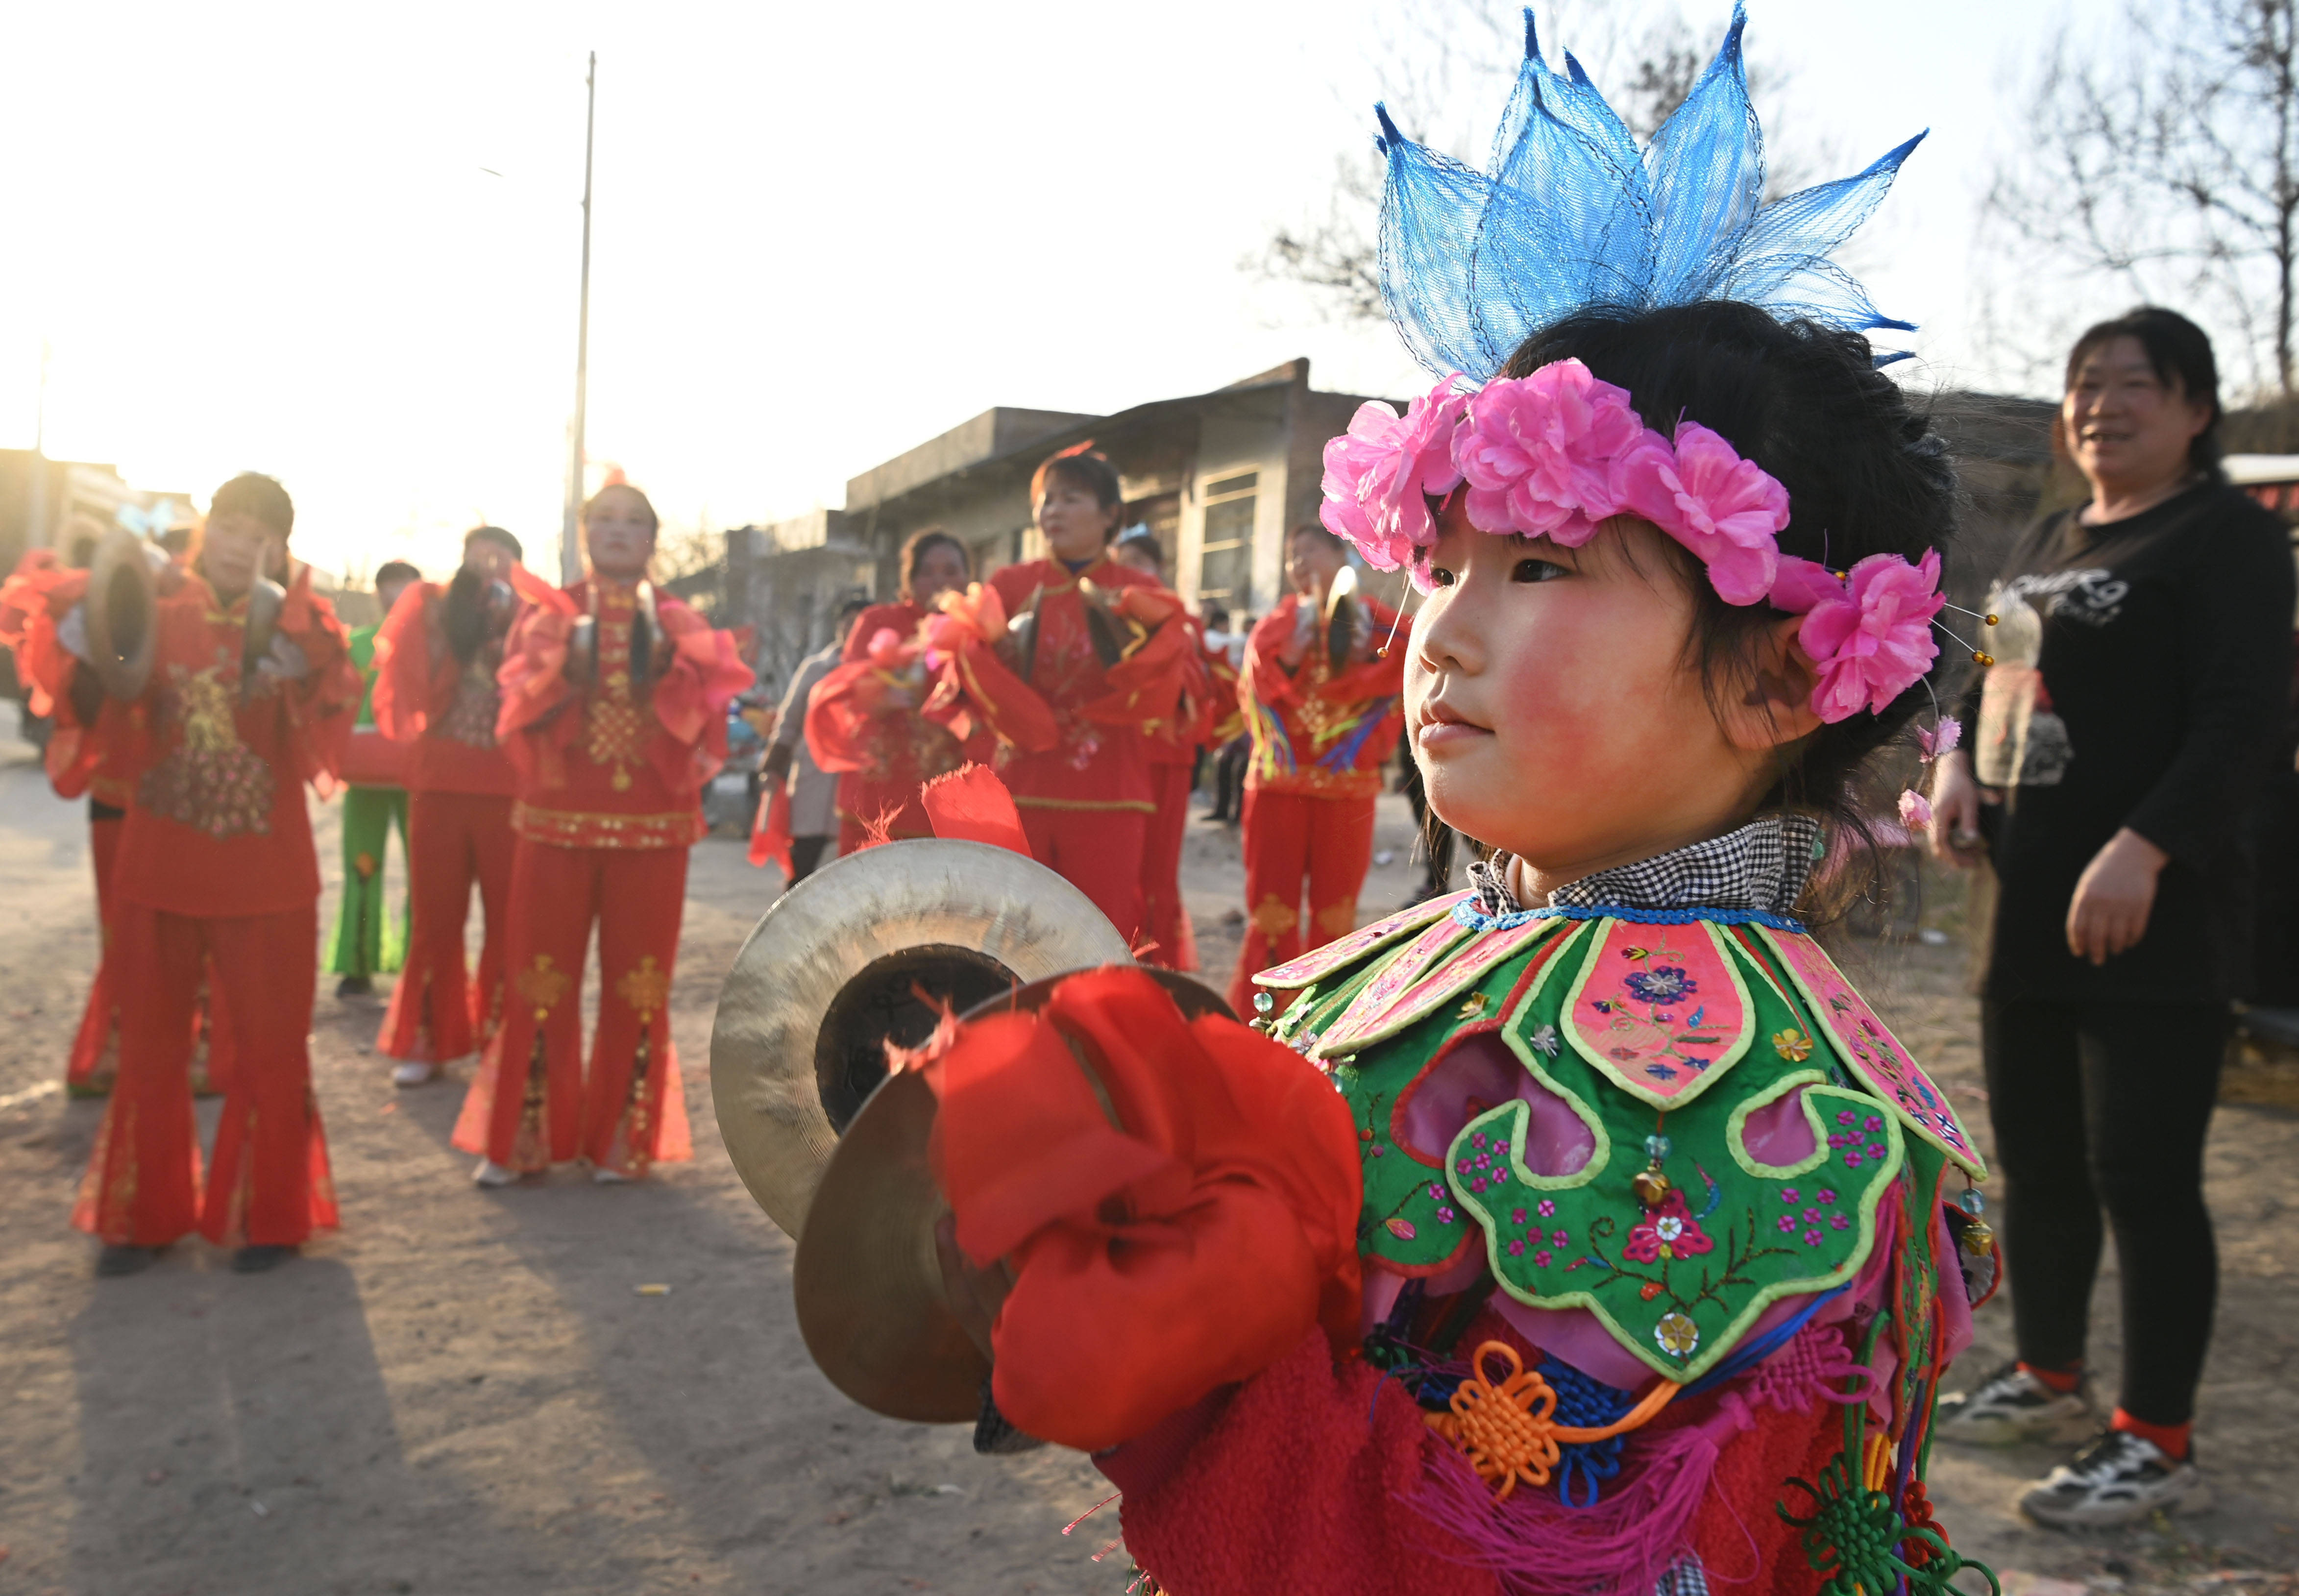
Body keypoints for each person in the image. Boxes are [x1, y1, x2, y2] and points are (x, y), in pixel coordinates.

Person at [887, 31, 2003, 1592]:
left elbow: (1522, 1551)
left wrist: (1190, 1386)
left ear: (1776, 682)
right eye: (1442, 565)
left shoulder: (1709, 1098)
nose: (1445, 634)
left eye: (1539, 569)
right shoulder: (1475, 950)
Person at [1926, 307, 2293, 1526]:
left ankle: (2156, 1433)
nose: (2101, 404)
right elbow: (1994, 676)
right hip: (2025, 904)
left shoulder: (2227, 540)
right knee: (2037, 1164)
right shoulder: (2042, 533)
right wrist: (1954, 772)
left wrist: (2146, 848)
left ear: (2196, 409)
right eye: (2084, 383)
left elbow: (2246, 721)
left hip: (2156, 912)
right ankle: (2044, 1372)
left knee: (2140, 1170)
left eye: (2137, 383)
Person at [65, 473, 362, 1274]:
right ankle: (143, 1218)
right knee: (154, 1047)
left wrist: (303, 670)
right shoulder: (157, 617)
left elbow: (332, 719)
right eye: (230, 525)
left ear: (282, 547)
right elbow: (102, 711)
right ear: (207, 532)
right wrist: (85, 640)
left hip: (266, 875)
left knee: (270, 1047)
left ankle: (269, 1217)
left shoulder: (304, 629)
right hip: (160, 865)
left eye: (261, 532)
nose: (241, 543)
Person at [454, 481, 750, 1186]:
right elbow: (517, 702)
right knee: (538, 981)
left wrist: (677, 676)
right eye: (605, 521)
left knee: (640, 988)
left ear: (653, 539)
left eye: (634, 523)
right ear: (586, 534)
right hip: (555, 823)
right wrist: (560, 674)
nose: (619, 533)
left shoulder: (683, 622)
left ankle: (620, 1140)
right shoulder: (548, 616)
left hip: (654, 831)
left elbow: (708, 721)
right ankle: (520, 1140)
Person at [924, 445, 1192, 941]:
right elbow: (960, 674)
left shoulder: (1140, 590)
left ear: (1111, 514)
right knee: (1011, 939)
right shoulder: (1010, 584)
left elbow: (1179, 684)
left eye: (1071, 498)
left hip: (1111, 793)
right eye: (1046, 501)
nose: (1053, 511)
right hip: (1022, 786)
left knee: (1097, 935)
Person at [369, 526, 526, 1086]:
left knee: (511, 924)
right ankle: (430, 1039)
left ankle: (500, 1036)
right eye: (477, 556)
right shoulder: (433, 607)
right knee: (436, 919)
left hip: (511, 793)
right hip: (438, 786)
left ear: (519, 567)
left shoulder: (535, 618)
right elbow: (405, 684)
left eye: (500, 557)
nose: (488, 565)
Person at [1228, 522, 1405, 1011]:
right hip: (1277, 784)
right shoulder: (1279, 625)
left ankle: (1324, 1014)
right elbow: (1257, 681)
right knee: (1272, 910)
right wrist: (1291, 649)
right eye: (1291, 556)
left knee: (1335, 912)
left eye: (1308, 551)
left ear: (1340, 553)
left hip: (1347, 786)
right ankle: (1263, 1012)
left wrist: (1366, 656)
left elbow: (1406, 656)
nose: (1298, 563)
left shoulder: (1377, 624)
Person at [806, 530, 981, 852]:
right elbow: (850, 686)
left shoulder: (978, 628)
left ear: (969, 577)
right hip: (878, 793)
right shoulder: (879, 620)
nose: (939, 580)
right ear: (909, 580)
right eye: (927, 572)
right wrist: (880, 693)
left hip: (949, 796)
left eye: (951, 571)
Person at [1111, 525, 1211, 969]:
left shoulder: (1181, 623)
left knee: (1157, 872)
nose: (1129, 574)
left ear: (1159, 570)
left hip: (1167, 760)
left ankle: (1159, 968)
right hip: (1119, 759)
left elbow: (1205, 688)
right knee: (1117, 871)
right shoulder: (1108, 622)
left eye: (1138, 563)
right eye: (1121, 564)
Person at [327, 559, 420, 997]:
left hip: (419, 774)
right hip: (364, 772)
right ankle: (358, 963)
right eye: (388, 585)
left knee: (424, 872)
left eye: (404, 585)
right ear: (378, 592)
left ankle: (422, 962)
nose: (395, 593)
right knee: (362, 866)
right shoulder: (356, 645)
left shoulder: (430, 644)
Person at [761, 596, 869, 886]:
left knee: (855, 868)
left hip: (860, 783)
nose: (854, 631)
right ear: (838, 628)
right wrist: (773, 767)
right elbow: (790, 721)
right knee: (803, 866)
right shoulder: (815, 669)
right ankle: (793, 927)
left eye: (862, 624)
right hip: (814, 781)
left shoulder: (880, 674)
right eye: (849, 623)